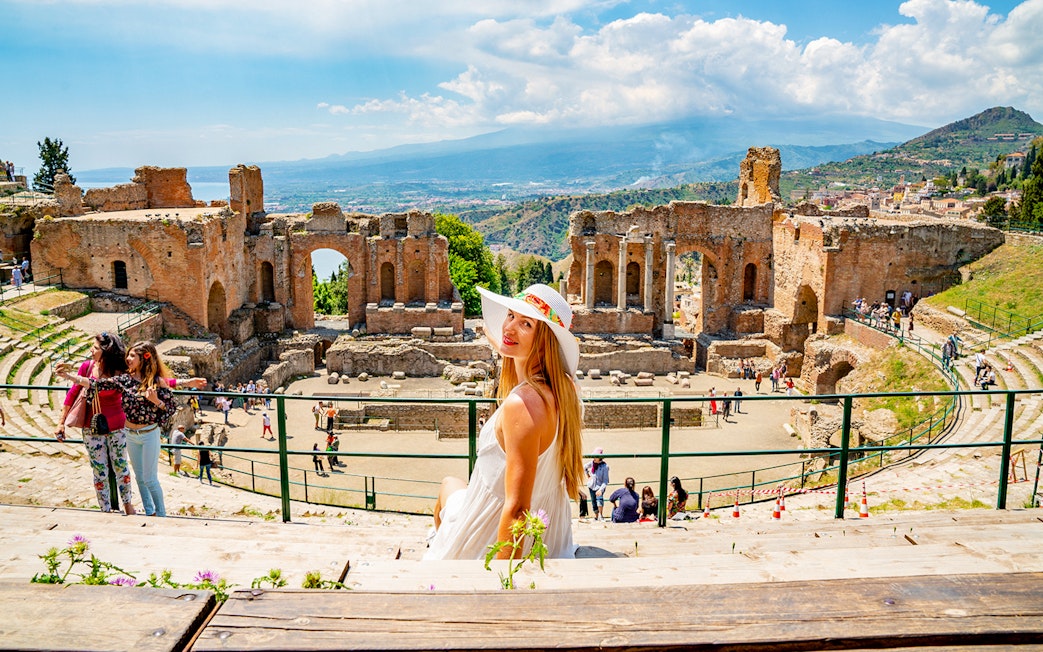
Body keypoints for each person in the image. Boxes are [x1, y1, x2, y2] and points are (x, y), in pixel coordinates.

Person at [425, 284, 583, 560]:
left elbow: (518, 508)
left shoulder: (522, 405)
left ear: (545, 340)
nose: (509, 328)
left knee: (447, 488)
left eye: (526, 323)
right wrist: (503, 342)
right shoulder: (567, 388)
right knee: (451, 484)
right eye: (510, 315)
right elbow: (518, 349)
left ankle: (448, 554)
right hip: (549, 534)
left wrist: (502, 582)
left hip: (490, 534)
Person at [57, 341, 206, 517]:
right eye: (128, 355)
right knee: (139, 478)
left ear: (144, 358)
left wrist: (158, 399)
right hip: (130, 434)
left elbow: (170, 398)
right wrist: (70, 377)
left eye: (133, 356)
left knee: (150, 479)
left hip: (149, 434)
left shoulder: (154, 382)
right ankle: (150, 512)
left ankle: (161, 515)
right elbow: (96, 384)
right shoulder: (125, 380)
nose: (128, 358)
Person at [55, 332, 135, 515]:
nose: (91, 350)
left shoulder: (121, 371)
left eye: (96, 348)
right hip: (92, 426)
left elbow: (99, 384)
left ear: (106, 351)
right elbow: (73, 393)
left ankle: (128, 504)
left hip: (117, 425)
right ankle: (105, 509)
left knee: (121, 466)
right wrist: (60, 422)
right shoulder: (87, 367)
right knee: (99, 470)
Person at [586, 447, 610, 521]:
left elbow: (605, 481)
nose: (594, 458)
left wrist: (600, 489)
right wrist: (587, 474)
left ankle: (601, 515)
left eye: (595, 457)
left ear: (600, 458)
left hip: (600, 487)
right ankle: (596, 516)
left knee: (599, 500)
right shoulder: (592, 463)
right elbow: (584, 467)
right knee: (593, 502)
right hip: (591, 486)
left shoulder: (605, 466)